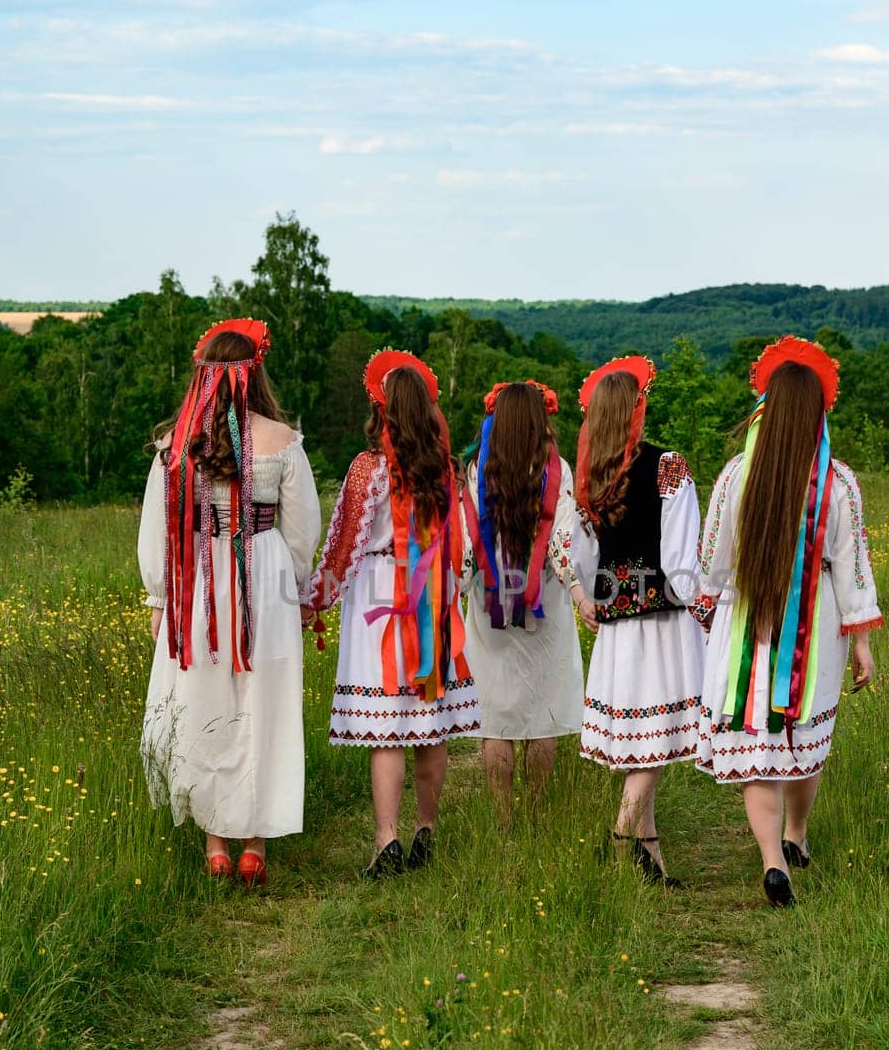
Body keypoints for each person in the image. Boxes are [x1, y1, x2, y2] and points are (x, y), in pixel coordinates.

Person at [694, 336, 883, 907]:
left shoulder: (734, 476)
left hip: (747, 616)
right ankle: (796, 835)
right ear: (819, 413)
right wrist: (863, 644)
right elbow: (852, 566)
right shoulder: (838, 482)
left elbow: (712, 560)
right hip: (815, 620)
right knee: (802, 724)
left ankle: (774, 859)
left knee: (759, 734)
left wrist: (707, 608)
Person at [138, 319, 322, 887]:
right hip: (261, 578)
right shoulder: (283, 441)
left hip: (198, 580)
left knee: (204, 699)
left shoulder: (176, 444)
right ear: (254, 374)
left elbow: (158, 528)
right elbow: (302, 530)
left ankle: (215, 840)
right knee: (260, 700)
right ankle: (253, 843)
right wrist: (295, 585)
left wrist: (159, 596)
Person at [305, 351, 478, 879]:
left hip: (381, 601)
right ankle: (427, 828)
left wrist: (315, 599)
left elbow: (344, 545)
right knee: (428, 723)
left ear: (381, 410)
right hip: (434, 595)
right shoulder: (445, 468)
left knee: (388, 729)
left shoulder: (366, 469)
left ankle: (387, 841)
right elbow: (464, 541)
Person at [570, 356, 706, 887]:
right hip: (662, 622)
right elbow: (680, 558)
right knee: (658, 735)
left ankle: (651, 855)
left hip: (618, 627)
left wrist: (590, 597)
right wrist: (703, 609)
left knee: (644, 736)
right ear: (635, 412)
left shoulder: (590, 477)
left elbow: (580, 553)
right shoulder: (666, 465)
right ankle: (621, 835)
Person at [460, 379, 586, 813]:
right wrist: (577, 588)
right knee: (542, 708)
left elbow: (467, 540)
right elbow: (562, 539)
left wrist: (451, 591)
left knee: (495, 714)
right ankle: (535, 810)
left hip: (488, 600)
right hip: (544, 601)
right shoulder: (557, 468)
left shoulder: (478, 468)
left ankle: (503, 819)